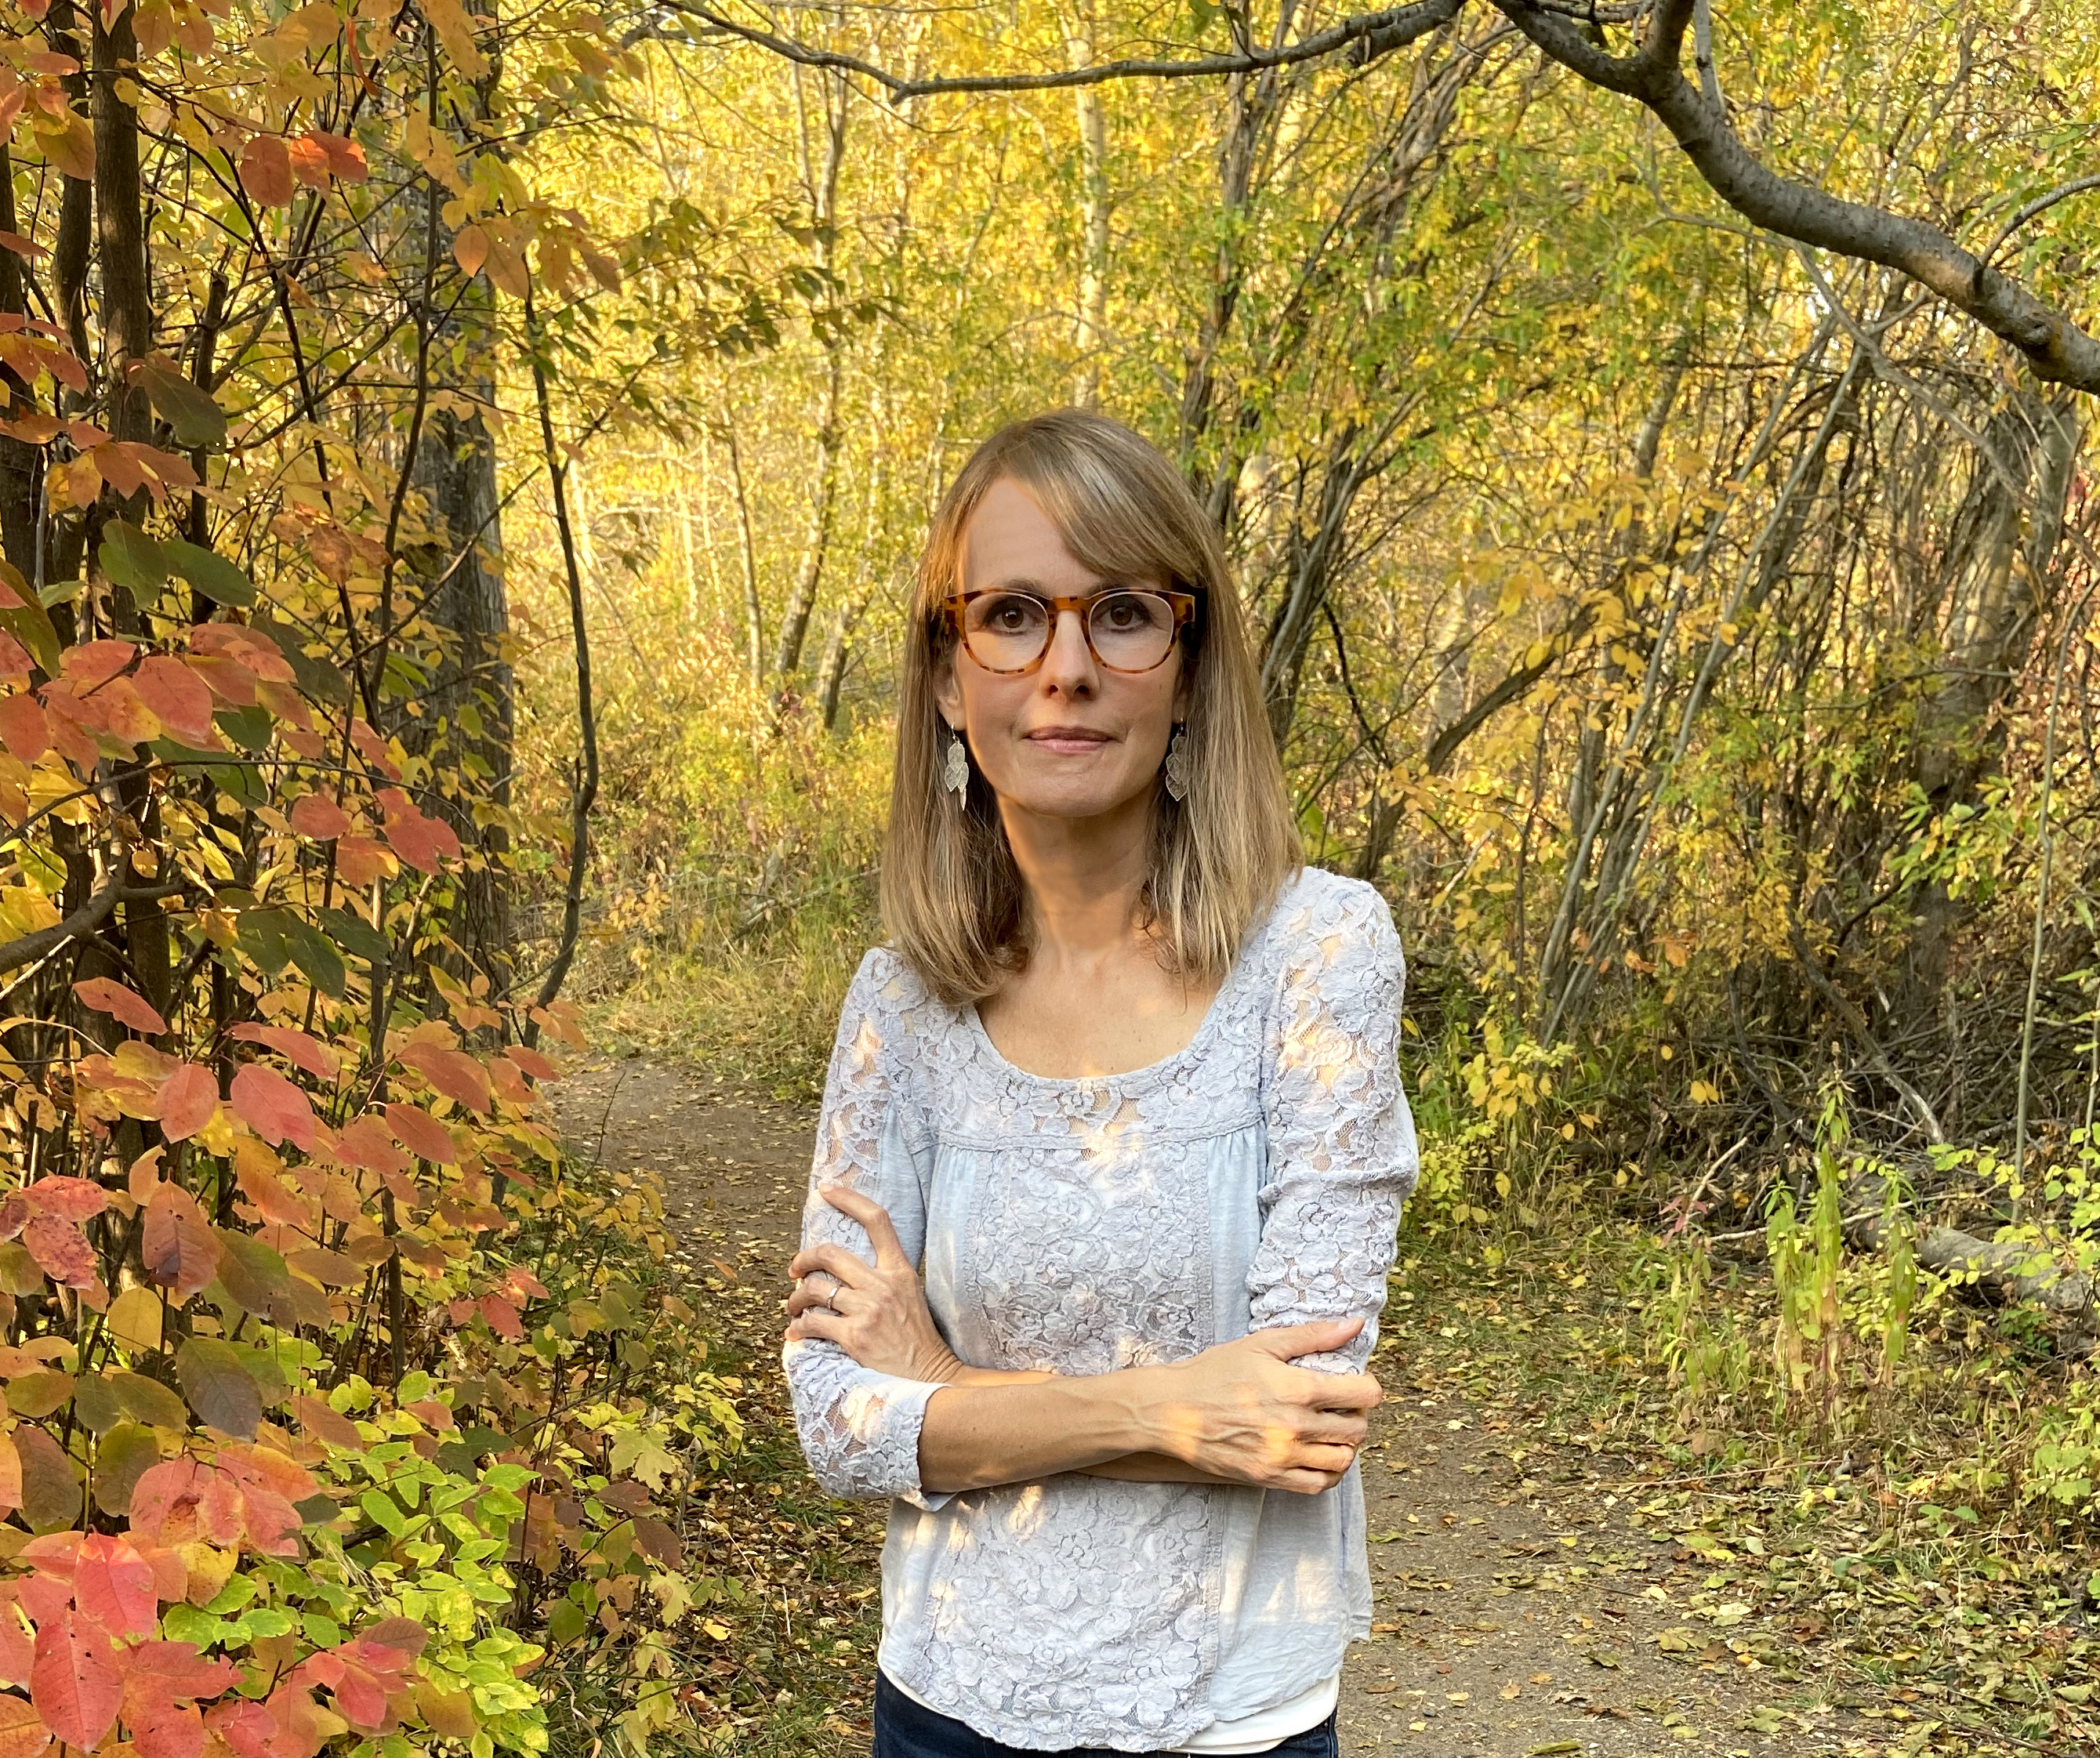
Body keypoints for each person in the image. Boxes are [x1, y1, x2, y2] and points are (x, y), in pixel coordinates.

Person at [781, 409, 1419, 1758]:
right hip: (946, 1704)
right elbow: (836, 1422)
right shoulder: (901, 1005)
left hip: (1228, 1717)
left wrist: (944, 1385)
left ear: (1189, 669)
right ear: (949, 679)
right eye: (1010, 614)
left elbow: (1301, 1413)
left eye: (1122, 613)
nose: (1064, 668)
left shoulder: (1318, 956)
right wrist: (1177, 1411)